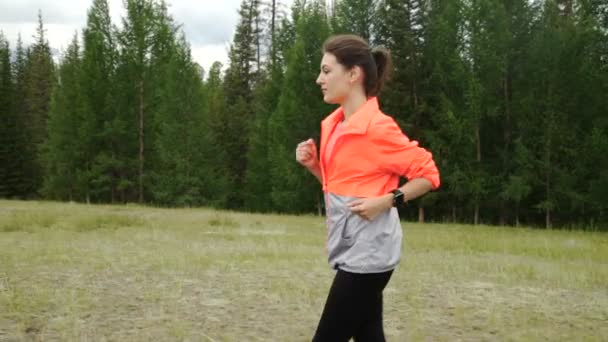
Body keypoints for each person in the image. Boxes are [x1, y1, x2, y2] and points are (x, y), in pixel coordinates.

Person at [295, 34, 441, 341]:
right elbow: (338, 187)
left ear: (353, 74)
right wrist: (314, 167)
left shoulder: (378, 128)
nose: (318, 79)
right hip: (349, 247)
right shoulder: (334, 126)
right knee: (369, 336)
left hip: (370, 254)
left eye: (326, 70)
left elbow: (428, 175)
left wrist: (388, 201)